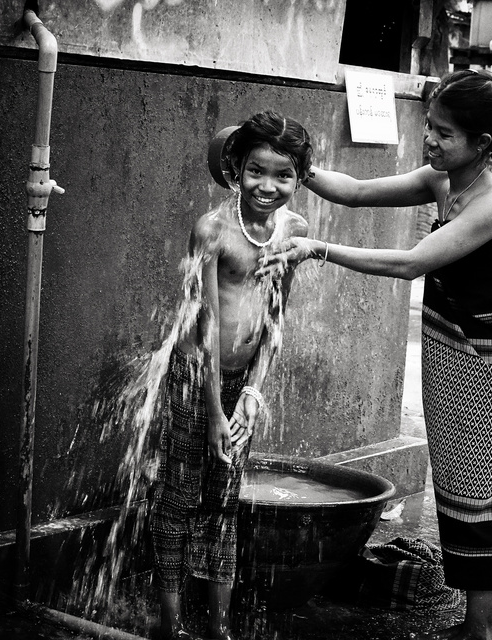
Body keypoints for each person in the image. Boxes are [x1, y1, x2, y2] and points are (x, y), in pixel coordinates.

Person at [258, 70, 492, 640]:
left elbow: (411, 263)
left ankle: (482, 628)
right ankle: (475, 621)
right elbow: (356, 191)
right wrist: (295, 165)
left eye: (444, 133)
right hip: (458, 342)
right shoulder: (445, 179)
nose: (431, 141)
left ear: (482, 146)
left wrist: (316, 248)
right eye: (429, 127)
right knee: (455, 476)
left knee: (482, 483)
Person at [150, 110, 312, 640]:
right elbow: (206, 327)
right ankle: (171, 624)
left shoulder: (295, 231)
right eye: (256, 172)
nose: (268, 186)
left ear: (298, 177)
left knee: (223, 504)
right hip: (195, 380)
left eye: (283, 175)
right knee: (178, 499)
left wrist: (251, 395)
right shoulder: (213, 231)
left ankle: (219, 630)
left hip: (240, 389)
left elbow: (274, 319)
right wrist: (217, 410)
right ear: (236, 170)